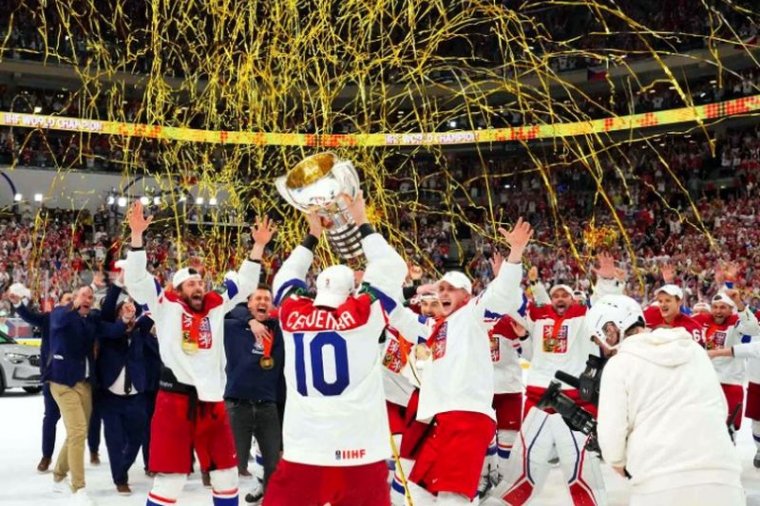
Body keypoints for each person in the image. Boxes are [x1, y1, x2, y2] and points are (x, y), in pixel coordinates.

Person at [124, 200, 274, 506]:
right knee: (171, 481)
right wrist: (137, 236)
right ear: (179, 289)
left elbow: (245, 283)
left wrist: (258, 246)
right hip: (174, 400)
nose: (198, 287)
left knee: (226, 475)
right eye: (191, 283)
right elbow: (137, 281)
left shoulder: (216, 304)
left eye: (200, 283)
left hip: (211, 401)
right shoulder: (164, 304)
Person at [265, 192, 408, 506]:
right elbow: (392, 267)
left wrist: (313, 235)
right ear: (351, 292)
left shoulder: (292, 314)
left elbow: (285, 278)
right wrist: (362, 221)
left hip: (304, 450)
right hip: (359, 451)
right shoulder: (363, 312)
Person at [386, 218, 532, 505]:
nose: (443, 293)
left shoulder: (474, 314)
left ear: (466, 295)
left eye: (450, 289)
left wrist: (515, 254)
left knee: (453, 497)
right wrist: (414, 289)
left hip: (465, 416)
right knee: (418, 491)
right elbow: (396, 314)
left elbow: (501, 294)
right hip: (437, 418)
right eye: (440, 289)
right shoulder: (433, 327)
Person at [489, 252, 623, 506]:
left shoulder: (584, 317)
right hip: (537, 400)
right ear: (551, 299)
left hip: (574, 403)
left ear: (572, 298)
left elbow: (603, 305)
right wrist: (503, 279)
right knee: (522, 468)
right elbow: (515, 311)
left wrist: (606, 280)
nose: (560, 298)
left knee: (581, 469)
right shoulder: (537, 317)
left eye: (565, 294)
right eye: (556, 295)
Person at [595, 295, 744, 506]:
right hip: (724, 478)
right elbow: (720, 407)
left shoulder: (619, 365)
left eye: (597, 339)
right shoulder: (694, 350)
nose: (600, 346)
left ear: (609, 331)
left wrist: (617, 461)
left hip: (659, 483)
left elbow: (612, 431)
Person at [47, 285, 127, 504]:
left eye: (91, 297)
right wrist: (73, 304)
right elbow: (60, 321)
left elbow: (112, 331)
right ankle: (78, 488)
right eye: (84, 295)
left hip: (84, 384)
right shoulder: (60, 313)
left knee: (77, 434)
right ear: (74, 298)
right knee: (78, 431)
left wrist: (125, 320)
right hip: (62, 383)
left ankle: (58, 476)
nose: (88, 299)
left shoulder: (91, 319)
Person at [223, 285, 284, 503]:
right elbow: (227, 311)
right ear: (248, 303)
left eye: (267, 299)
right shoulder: (232, 327)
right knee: (231, 465)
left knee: (273, 463)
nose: (262, 302)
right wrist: (249, 320)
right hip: (237, 405)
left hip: (268, 405)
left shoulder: (279, 330)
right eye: (257, 298)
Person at [8, 285, 71, 473]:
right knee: (51, 417)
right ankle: (46, 456)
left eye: (72, 300)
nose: (70, 304)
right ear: (59, 303)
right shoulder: (48, 319)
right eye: (67, 300)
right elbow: (29, 317)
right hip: (52, 378)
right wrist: (18, 304)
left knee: (75, 423)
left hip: (74, 380)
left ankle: (72, 457)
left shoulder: (81, 321)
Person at [96, 294, 154, 495]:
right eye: (123, 310)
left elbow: (154, 311)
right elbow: (115, 329)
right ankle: (120, 478)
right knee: (114, 441)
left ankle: (122, 468)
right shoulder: (106, 330)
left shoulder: (139, 330)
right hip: (110, 397)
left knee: (136, 439)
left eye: (130, 310)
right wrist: (124, 320)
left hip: (136, 396)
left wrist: (143, 290)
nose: (128, 313)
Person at [692, 290, 760, 432]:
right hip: (706, 382)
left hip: (731, 382)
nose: (718, 311)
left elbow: (753, 329)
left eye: (723, 307)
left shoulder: (735, 323)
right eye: (715, 307)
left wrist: (739, 303)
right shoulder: (702, 321)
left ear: (730, 309)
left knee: (729, 430)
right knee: (705, 428)